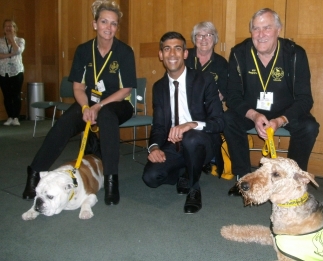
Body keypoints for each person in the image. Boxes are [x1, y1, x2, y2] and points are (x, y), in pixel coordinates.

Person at [22, 0, 136, 206]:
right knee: (65, 122)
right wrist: (85, 107)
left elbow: (126, 89)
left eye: (113, 23)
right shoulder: (84, 50)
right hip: (89, 102)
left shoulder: (125, 52)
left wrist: (99, 106)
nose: (108, 27)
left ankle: (111, 180)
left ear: (117, 27)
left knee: (107, 115)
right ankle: (34, 173)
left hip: (118, 103)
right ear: (95, 24)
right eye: (104, 22)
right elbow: (78, 88)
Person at [223, 8, 319, 196]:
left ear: (278, 30)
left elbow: (305, 99)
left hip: (286, 112)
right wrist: (254, 115)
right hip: (252, 111)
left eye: (266, 28)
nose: (260, 35)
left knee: (309, 127)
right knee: (228, 119)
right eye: (255, 29)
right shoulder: (239, 53)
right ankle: (243, 179)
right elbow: (232, 96)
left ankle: (294, 182)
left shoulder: (295, 54)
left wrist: (280, 120)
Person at [142, 31, 224, 214]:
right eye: (167, 49)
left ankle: (194, 188)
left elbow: (219, 122)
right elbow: (159, 126)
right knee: (150, 178)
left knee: (191, 138)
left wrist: (191, 124)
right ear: (161, 55)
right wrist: (154, 147)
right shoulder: (159, 87)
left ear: (185, 54)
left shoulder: (205, 80)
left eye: (178, 49)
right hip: (174, 144)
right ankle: (185, 170)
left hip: (202, 141)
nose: (172, 54)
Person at [185, 21, 228, 101]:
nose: (204, 39)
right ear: (194, 39)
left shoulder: (222, 63)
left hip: (210, 107)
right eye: (199, 35)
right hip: (186, 105)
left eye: (208, 35)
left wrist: (220, 95)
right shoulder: (184, 56)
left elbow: (226, 91)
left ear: (214, 38)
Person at [0, 19, 25, 126]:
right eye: (6, 26)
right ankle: (10, 117)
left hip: (17, 71)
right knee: (7, 95)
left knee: (16, 95)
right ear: (3, 29)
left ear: (15, 28)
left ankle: (16, 117)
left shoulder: (20, 40)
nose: (9, 28)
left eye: (11, 26)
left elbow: (19, 50)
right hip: (3, 71)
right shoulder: (0, 41)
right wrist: (10, 55)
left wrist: (12, 40)